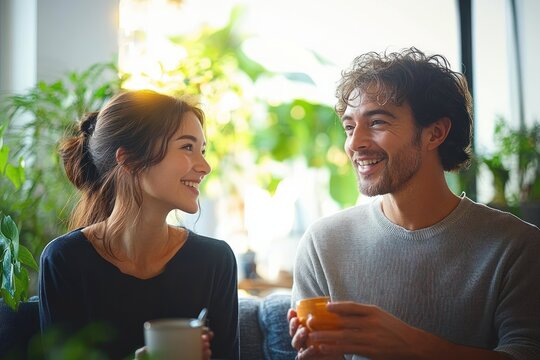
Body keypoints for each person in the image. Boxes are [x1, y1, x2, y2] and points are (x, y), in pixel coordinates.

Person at [288, 48, 540, 360]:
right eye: (350, 127)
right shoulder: (323, 243)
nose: (354, 143)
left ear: (435, 133)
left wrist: (411, 347)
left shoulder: (516, 246)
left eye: (377, 122)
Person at [39, 90, 239, 359]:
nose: (205, 166)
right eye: (187, 147)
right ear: (129, 160)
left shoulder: (215, 261)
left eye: (202, 150)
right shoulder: (65, 260)